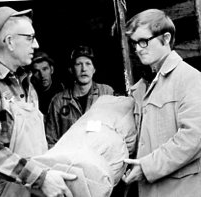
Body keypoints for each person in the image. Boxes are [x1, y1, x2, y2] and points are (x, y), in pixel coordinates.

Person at [0, 6, 76, 197]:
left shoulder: (27, 85)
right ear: (10, 42)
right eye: (29, 38)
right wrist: (40, 178)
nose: (37, 44)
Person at [122, 9, 201, 197]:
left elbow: (193, 138)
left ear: (165, 38)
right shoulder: (140, 88)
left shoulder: (191, 78)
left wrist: (147, 167)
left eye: (143, 41)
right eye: (134, 43)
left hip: (181, 190)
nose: (138, 49)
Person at [45, 45, 114, 147]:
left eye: (88, 64)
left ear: (94, 69)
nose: (84, 69)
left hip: (100, 157)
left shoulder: (106, 92)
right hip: (69, 159)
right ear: (71, 69)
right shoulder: (59, 101)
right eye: (78, 64)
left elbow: (116, 130)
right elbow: (51, 140)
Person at [29, 50, 65, 115]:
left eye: (45, 69)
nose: (42, 75)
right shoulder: (29, 94)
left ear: (52, 70)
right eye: (36, 71)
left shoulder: (63, 91)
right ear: (31, 74)